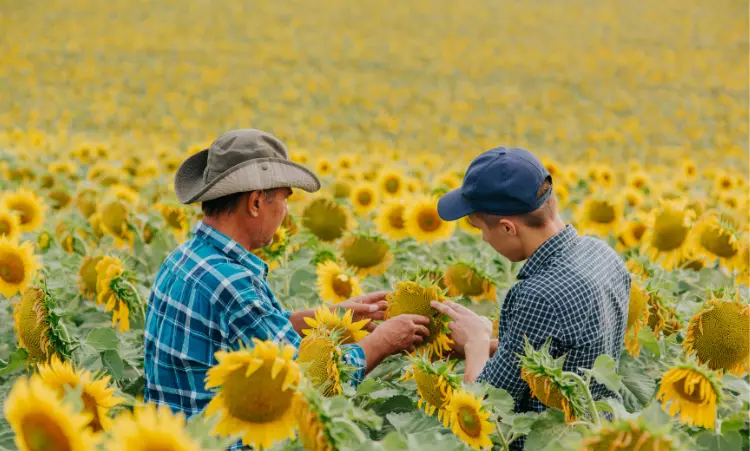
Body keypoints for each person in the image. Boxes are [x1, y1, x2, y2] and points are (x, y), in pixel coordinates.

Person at [144, 129, 430, 422]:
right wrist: (383, 341)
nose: (286, 213)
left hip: (176, 438)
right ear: (255, 203)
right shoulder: (232, 282)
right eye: (284, 199)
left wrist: (331, 317)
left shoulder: (182, 258)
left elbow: (253, 331)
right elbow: (309, 383)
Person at [431, 146, 630, 415]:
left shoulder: (539, 294)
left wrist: (476, 341)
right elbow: (562, 351)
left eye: (481, 229)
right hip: (597, 429)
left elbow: (485, 407)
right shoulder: (603, 255)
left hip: (547, 449)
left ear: (507, 228)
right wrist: (484, 347)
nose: (484, 239)